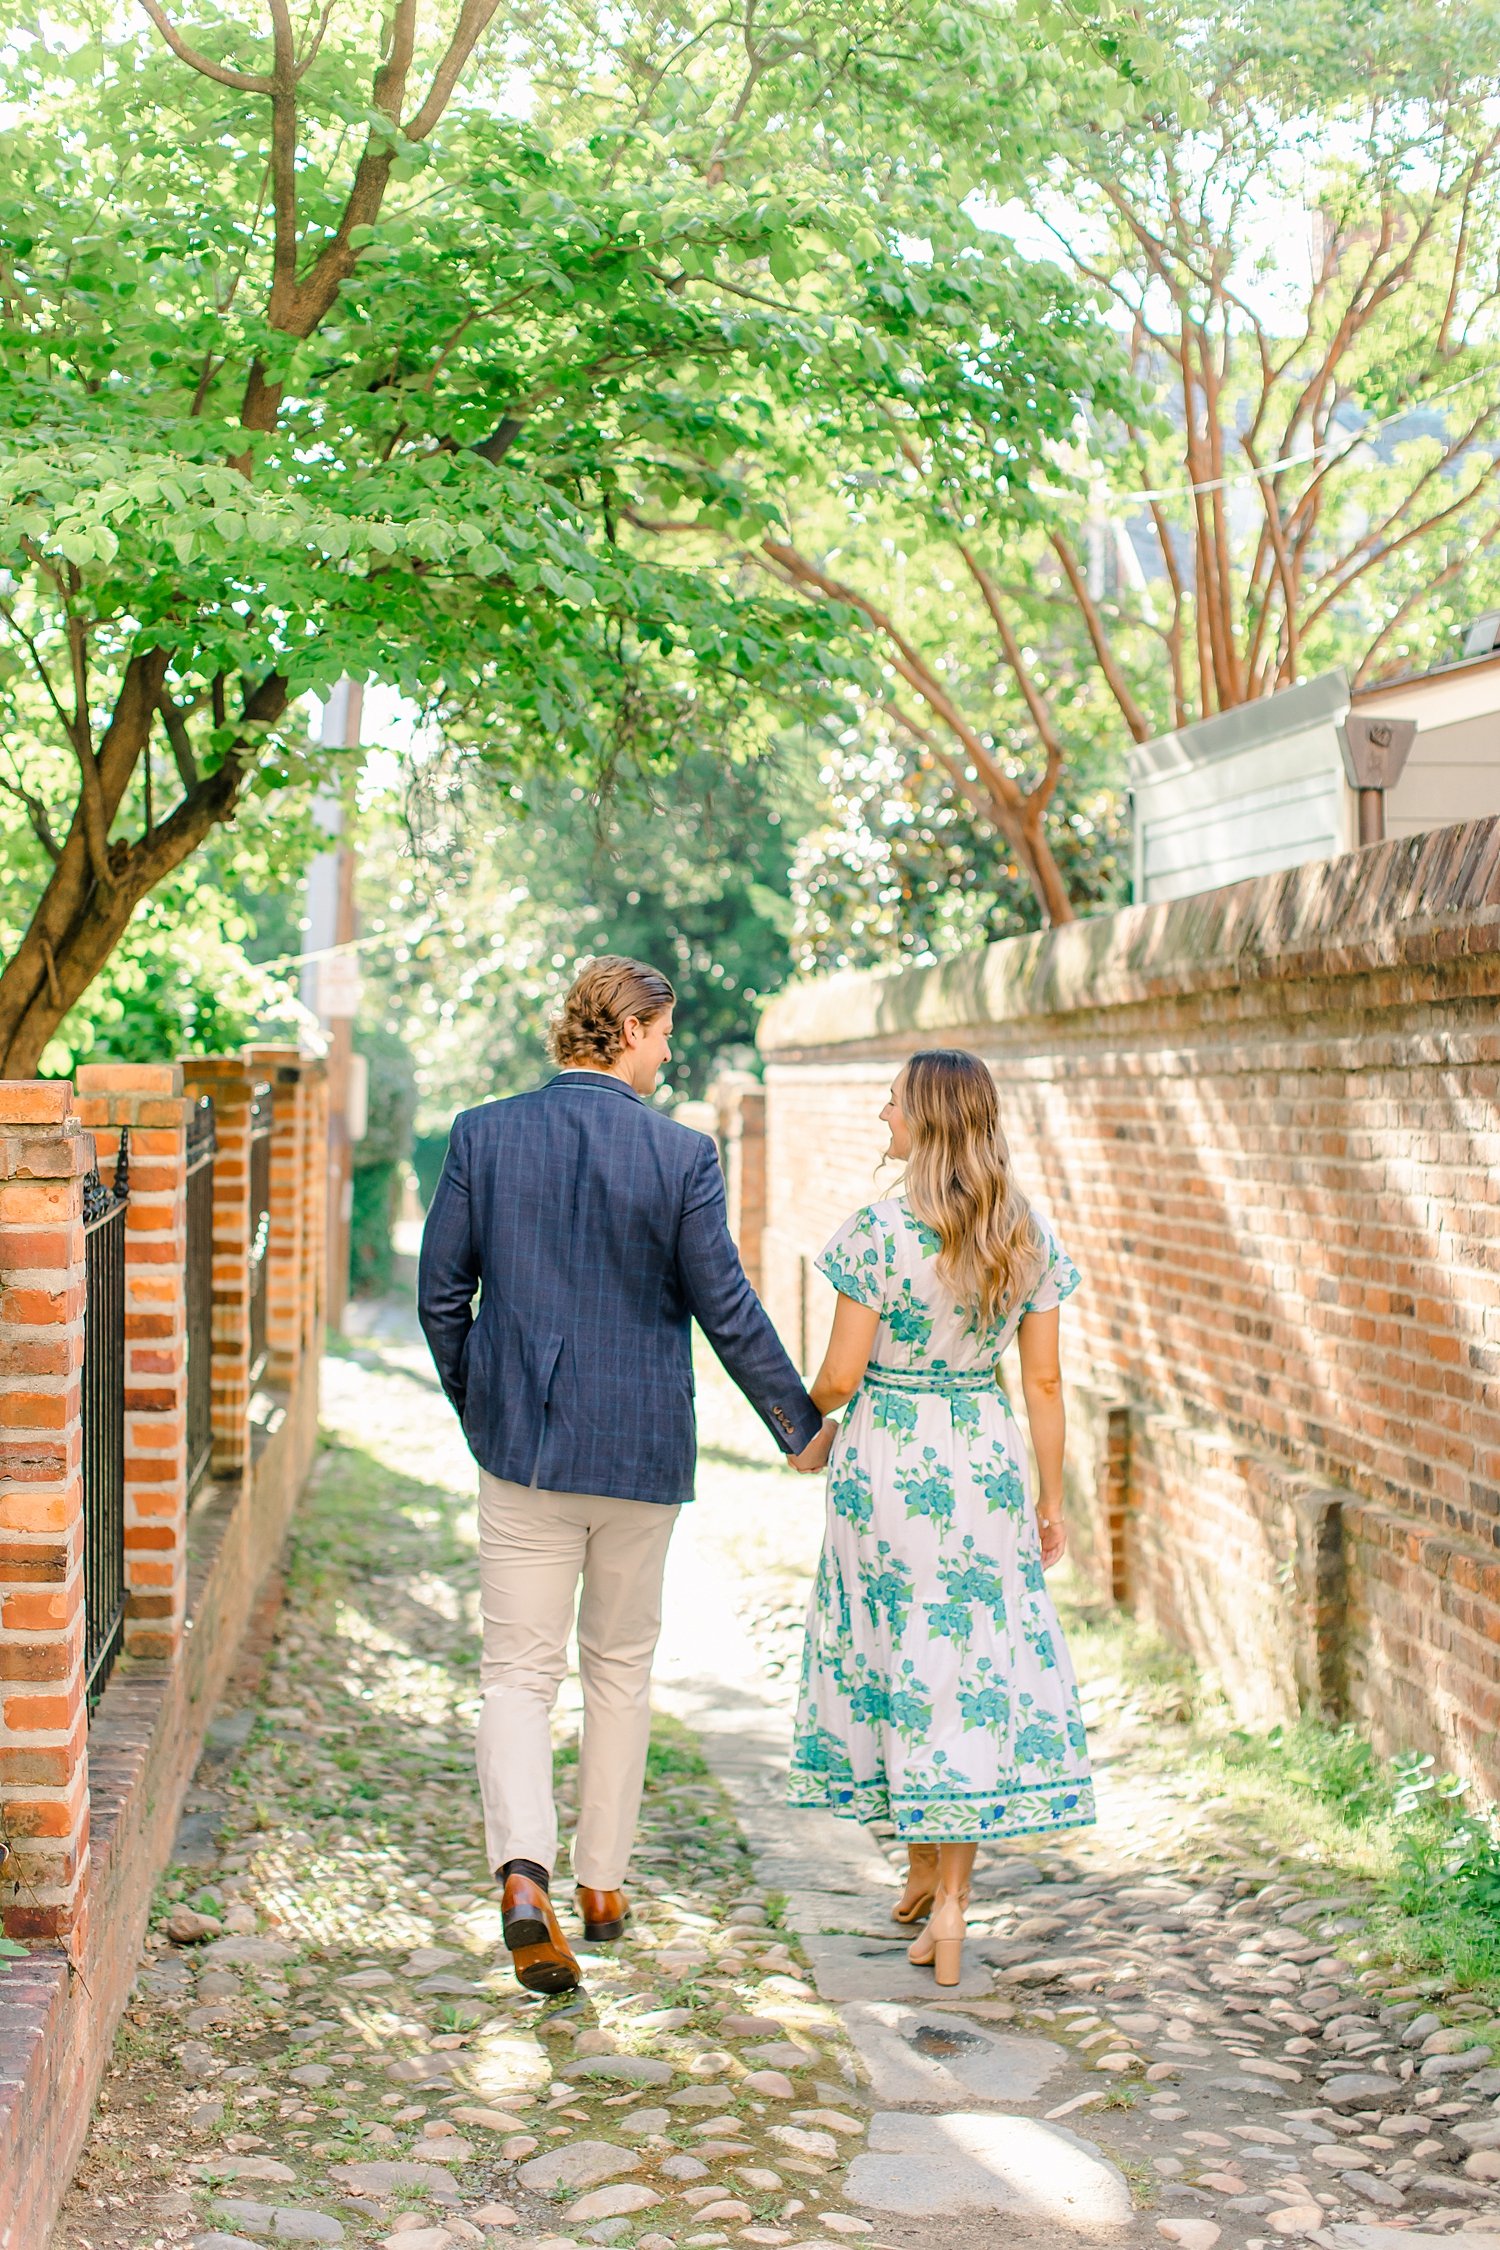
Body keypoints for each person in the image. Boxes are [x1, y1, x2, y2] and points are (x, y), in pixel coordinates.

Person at [418, 957, 830, 1993]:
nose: (670, 1050)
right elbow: (725, 1305)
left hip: (526, 1458)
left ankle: (523, 1878)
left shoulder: (483, 1134)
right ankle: (601, 1884)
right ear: (632, 1030)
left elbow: (440, 1300)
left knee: (516, 1672)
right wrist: (798, 1424)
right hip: (641, 1454)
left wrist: (490, 1413)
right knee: (618, 1669)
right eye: (664, 1034)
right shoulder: (681, 1155)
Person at [787, 1049, 1095, 1986]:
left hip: (888, 1458)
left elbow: (840, 1376)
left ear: (923, 1119)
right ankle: (946, 1895)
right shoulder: (1024, 1232)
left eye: (891, 1102)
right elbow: (1041, 1381)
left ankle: (924, 1869)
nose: (882, 1113)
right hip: (985, 1459)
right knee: (961, 1670)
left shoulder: (877, 1233)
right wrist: (1050, 1496)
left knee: (891, 1655)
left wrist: (806, 1428)